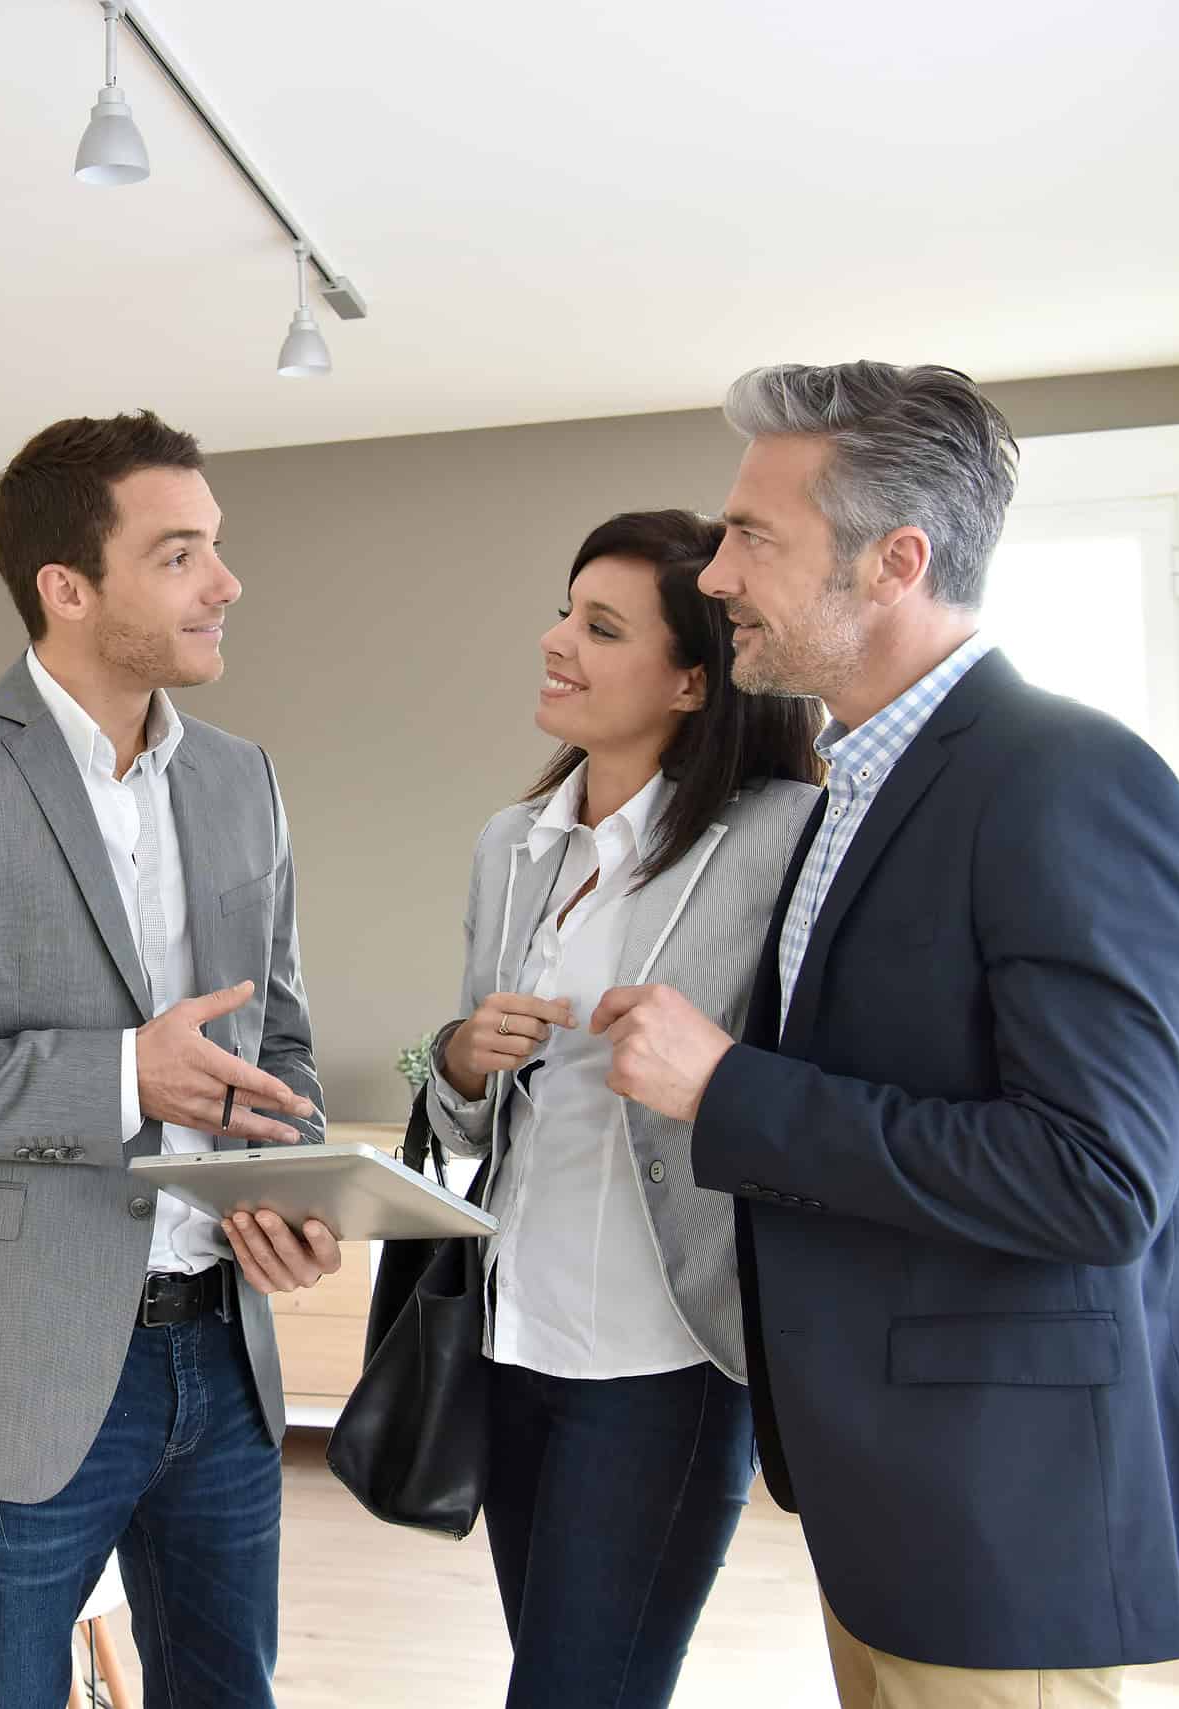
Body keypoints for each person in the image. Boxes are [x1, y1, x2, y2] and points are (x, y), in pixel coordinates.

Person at [595, 361, 1179, 1705]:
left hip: (1000, 1512)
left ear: (893, 561)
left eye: (750, 538)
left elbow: (1094, 1178)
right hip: (892, 1489)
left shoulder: (1066, 779)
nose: (711, 575)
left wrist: (726, 1090)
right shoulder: (855, 784)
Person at [0, 410, 337, 1708]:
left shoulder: (240, 780)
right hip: (11, 1370)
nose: (225, 582)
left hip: (221, 1356)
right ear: (67, 588)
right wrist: (113, 1079)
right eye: (180, 553)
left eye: (217, 547)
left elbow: (283, 1043)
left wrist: (290, 1188)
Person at [424, 509, 822, 1706]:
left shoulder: (783, 838)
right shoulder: (513, 844)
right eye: (565, 610)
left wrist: (705, 1069)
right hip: (512, 1338)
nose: (556, 641)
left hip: (669, 1358)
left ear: (696, 678)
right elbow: (450, 1110)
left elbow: (825, 1088)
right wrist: (453, 1060)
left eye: (600, 627)